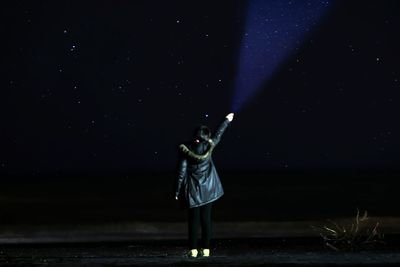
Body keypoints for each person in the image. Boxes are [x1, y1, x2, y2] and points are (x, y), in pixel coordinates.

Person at [175, 112, 234, 258]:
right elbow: (219, 134)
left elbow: (181, 172)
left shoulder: (186, 150)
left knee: (193, 221)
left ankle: (193, 251)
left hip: (193, 192)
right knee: (206, 220)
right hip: (209, 189)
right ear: (206, 136)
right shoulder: (210, 146)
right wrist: (227, 119)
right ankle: (206, 250)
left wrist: (177, 191)